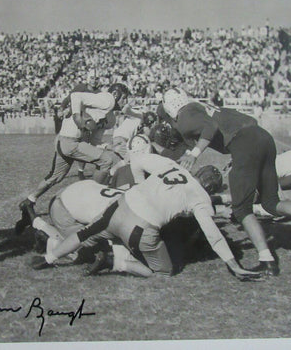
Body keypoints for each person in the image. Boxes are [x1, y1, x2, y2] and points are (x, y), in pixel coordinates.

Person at [159, 88, 291, 274]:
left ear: (169, 108)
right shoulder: (199, 107)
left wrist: (194, 154)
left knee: (241, 209)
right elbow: (246, 122)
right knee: (271, 202)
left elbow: (210, 128)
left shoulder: (185, 116)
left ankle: (267, 261)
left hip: (244, 143)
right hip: (262, 138)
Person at [29, 153, 263, 282]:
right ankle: (116, 262)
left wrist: (140, 185)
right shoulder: (200, 197)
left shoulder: (174, 167)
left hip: (119, 205)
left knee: (84, 233)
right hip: (140, 226)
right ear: (211, 189)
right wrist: (233, 264)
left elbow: (138, 159)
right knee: (163, 272)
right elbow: (213, 234)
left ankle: (48, 258)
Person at [16, 83, 129, 234]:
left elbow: (95, 141)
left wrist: (107, 146)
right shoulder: (107, 100)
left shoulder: (110, 118)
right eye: (124, 98)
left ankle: (29, 200)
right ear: (116, 94)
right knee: (106, 161)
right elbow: (76, 95)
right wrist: (76, 115)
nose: (125, 102)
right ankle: (90, 199)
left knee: (56, 177)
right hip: (70, 142)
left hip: (68, 141)